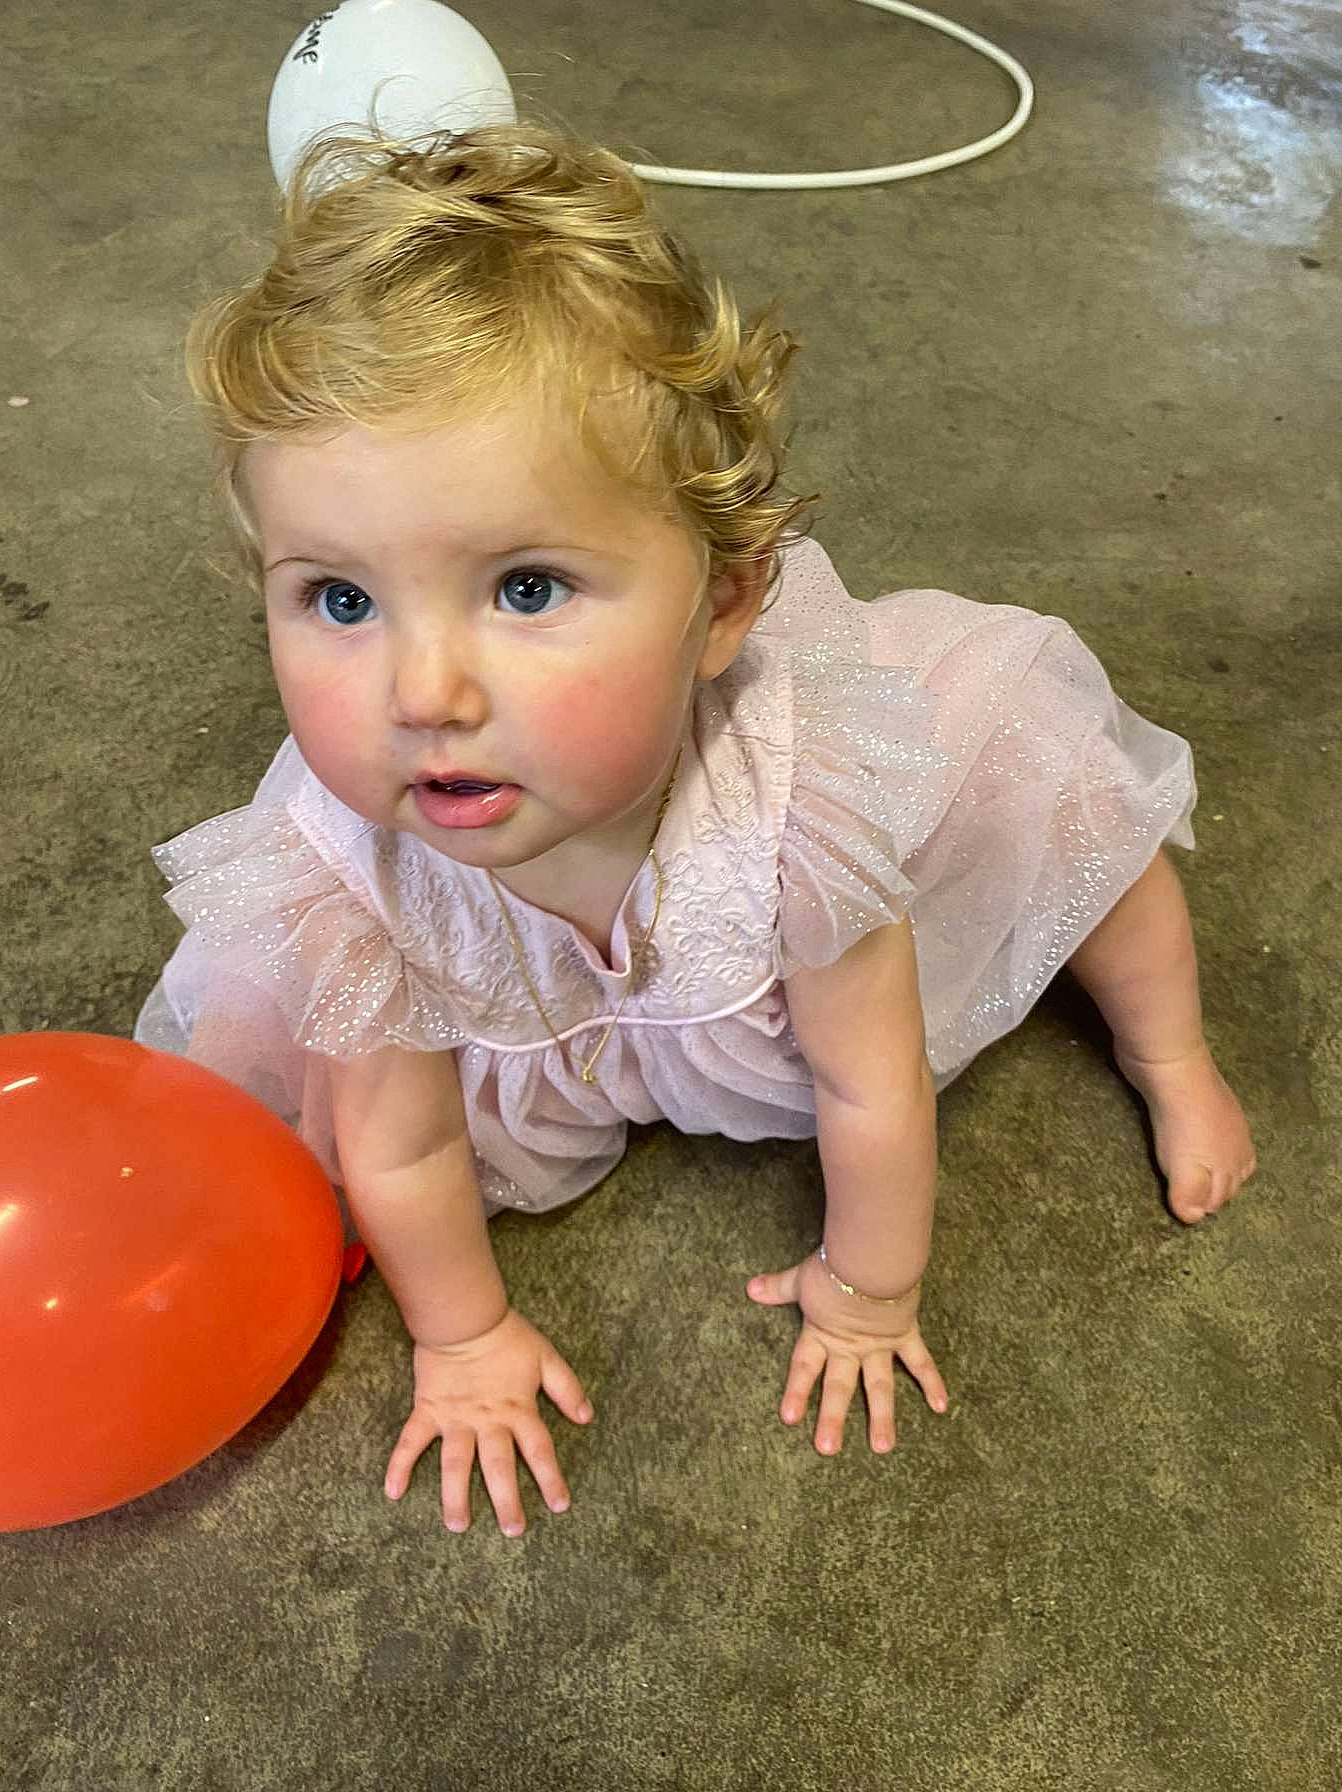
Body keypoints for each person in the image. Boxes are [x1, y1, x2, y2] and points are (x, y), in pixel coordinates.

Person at [134, 121, 1257, 1537]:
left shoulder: (802, 798)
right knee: (332, 1119)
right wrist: (465, 1336)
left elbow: (870, 1081)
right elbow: (404, 1143)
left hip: (788, 935)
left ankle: (1172, 1050)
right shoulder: (353, 865)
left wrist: (869, 1290)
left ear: (723, 607)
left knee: (1064, 800)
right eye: (340, 601)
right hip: (542, 1000)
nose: (426, 694)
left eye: (528, 588)